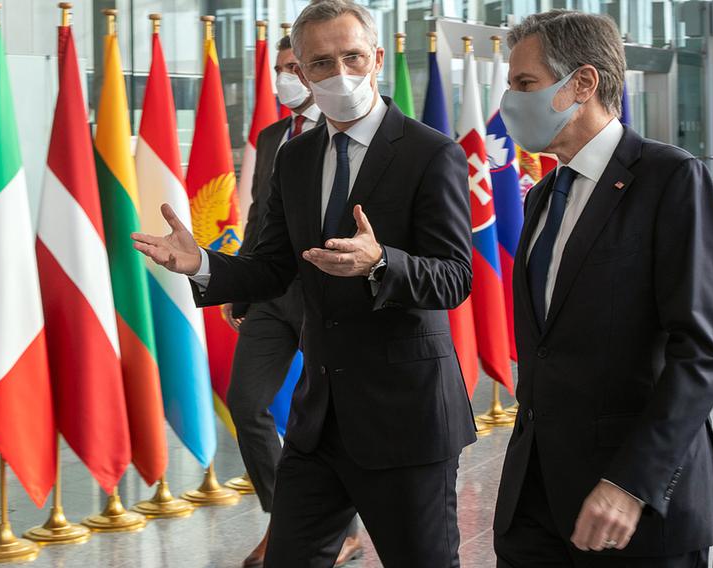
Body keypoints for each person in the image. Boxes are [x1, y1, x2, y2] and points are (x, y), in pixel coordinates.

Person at [133, 1, 476, 565]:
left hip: (406, 421)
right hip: (319, 421)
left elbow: (455, 278)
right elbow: (271, 266)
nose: (339, 73)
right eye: (320, 63)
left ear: (378, 59)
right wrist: (202, 264)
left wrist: (381, 262)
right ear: (302, 73)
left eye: (352, 56)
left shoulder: (430, 153)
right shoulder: (294, 158)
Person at [493, 10, 713, 568]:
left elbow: (701, 350)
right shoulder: (541, 195)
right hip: (537, 498)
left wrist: (631, 482)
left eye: (525, 84)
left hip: (631, 506)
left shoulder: (670, 179)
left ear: (584, 83)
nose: (509, 100)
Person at [223, 34, 362, 568]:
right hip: (271, 292)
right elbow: (259, 214)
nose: (287, 76)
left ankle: (340, 530)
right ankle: (285, 521)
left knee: (329, 414)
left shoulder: (347, 134)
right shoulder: (271, 135)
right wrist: (242, 282)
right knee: (247, 403)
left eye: (295, 67)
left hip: (326, 292)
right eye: (282, 67)